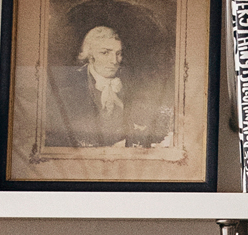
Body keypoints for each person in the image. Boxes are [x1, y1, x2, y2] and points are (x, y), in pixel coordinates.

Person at [47, 20, 166, 153]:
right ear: (90, 55)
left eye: (118, 53)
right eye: (105, 53)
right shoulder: (68, 88)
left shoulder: (133, 83)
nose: (114, 61)